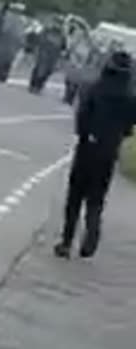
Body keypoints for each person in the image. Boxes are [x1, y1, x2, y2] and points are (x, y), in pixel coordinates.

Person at [54, 50, 136, 259]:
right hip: (108, 152)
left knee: (75, 196)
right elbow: (129, 126)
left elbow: (82, 117)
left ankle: (66, 241)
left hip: (87, 147)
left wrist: (84, 133)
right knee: (96, 198)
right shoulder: (130, 99)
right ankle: (92, 232)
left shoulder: (94, 89)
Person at [29, 17, 66, 94]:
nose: (57, 25)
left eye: (59, 23)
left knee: (47, 72)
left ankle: (38, 86)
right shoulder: (46, 30)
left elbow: (63, 47)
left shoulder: (62, 35)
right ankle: (33, 85)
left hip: (53, 57)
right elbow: (39, 40)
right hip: (43, 53)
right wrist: (36, 50)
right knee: (38, 69)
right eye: (56, 22)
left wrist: (60, 59)